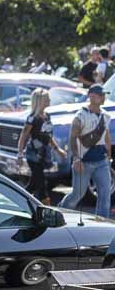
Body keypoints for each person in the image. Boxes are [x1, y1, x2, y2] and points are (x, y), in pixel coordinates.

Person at [59, 84, 112, 218]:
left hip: (101, 161)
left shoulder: (105, 116)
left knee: (105, 194)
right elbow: (72, 138)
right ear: (92, 96)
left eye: (104, 95)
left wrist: (108, 155)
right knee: (77, 195)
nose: (104, 97)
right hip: (84, 162)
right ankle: (60, 212)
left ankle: (102, 222)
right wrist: (76, 159)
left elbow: (106, 136)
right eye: (101, 95)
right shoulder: (80, 116)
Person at [17, 88, 66, 205]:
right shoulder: (32, 118)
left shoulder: (47, 116)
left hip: (43, 155)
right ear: (40, 100)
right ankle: (49, 209)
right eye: (47, 98)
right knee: (41, 184)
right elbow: (23, 136)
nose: (49, 100)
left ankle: (18, 201)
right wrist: (19, 154)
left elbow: (48, 136)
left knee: (33, 184)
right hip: (33, 155)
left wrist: (57, 149)